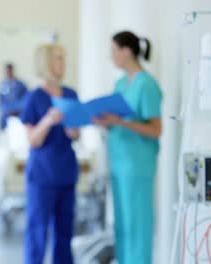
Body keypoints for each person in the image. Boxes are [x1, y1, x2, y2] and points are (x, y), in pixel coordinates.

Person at [93, 31, 162, 264]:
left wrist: (121, 122)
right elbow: (117, 119)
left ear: (127, 51)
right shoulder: (121, 83)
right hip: (119, 162)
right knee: (122, 224)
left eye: (113, 50)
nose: (110, 56)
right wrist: (105, 121)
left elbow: (156, 129)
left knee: (138, 224)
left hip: (138, 165)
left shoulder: (147, 85)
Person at [20, 44, 79, 264]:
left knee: (64, 233)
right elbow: (33, 141)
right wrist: (48, 121)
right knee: (37, 232)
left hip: (66, 173)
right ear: (45, 63)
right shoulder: (34, 97)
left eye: (63, 59)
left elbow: (75, 135)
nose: (62, 64)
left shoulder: (71, 94)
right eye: (58, 59)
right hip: (42, 176)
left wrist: (72, 127)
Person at [0, 63, 28, 130]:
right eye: (6, 71)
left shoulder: (21, 85)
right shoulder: (2, 86)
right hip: (5, 120)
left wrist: (15, 109)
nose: (8, 73)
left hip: (18, 119)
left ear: (12, 71)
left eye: (9, 71)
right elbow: (0, 103)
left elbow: (25, 101)